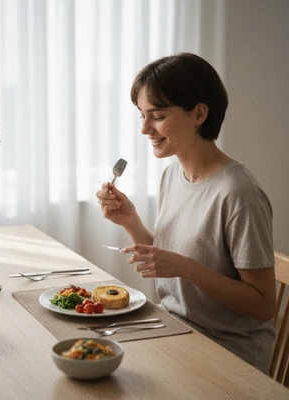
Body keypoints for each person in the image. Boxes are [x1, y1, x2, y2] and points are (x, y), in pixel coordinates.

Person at [96, 52, 276, 374]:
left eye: (158, 115)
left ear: (199, 114)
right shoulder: (172, 175)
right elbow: (172, 262)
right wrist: (131, 222)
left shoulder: (238, 193)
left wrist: (187, 268)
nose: (145, 129)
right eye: (142, 116)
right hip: (175, 330)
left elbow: (263, 305)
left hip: (230, 357)